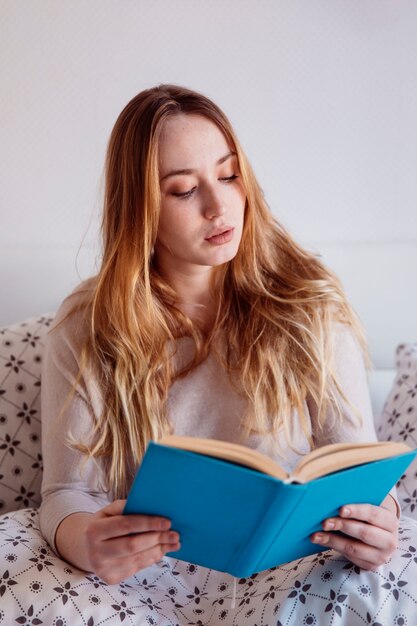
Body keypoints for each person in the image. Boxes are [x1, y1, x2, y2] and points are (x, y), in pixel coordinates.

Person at [38, 84, 401, 620]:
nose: (218, 204)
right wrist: (84, 538)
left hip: (287, 573)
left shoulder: (309, 304)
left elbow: (357, 466)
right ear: (139, 208)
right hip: (140, 585)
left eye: (229, 175)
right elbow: (66, 492)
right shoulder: (88, 326)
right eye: (183, 189)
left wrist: (381, 518)